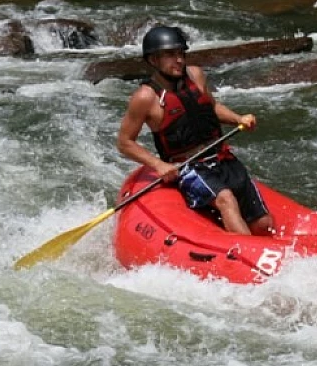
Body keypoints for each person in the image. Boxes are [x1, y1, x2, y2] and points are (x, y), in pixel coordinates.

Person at [116, 25, 273, 236]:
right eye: (171, 55)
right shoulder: (145, 98)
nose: (179, 60)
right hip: (189, 167)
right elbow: (125, 143)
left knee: (262, 224)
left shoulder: (195, 75)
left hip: (222, 156)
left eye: (181, 54)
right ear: (154, 60)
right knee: (225, 199)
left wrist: (238, 118)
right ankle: (247, 253)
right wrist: (158, 165)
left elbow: (212, 107)